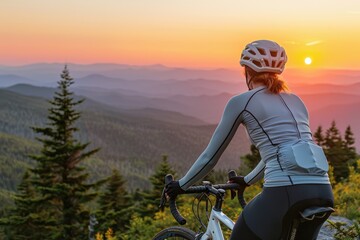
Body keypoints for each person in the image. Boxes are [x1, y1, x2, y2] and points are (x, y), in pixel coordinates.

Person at [165, 40, 334, 239]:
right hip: (323, 190)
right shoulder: (296, 100)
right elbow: (284, 150)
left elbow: (209, 158)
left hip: (286, 190)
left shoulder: (242, 102)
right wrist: (247, 180)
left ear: (246, 71)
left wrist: (181, 185)